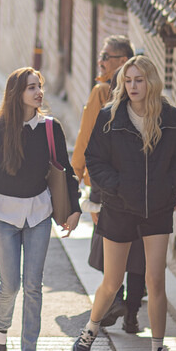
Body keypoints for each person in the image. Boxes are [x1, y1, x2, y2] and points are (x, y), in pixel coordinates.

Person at [72, 55, 176, 351]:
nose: (133, 86)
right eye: (128, 80)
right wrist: (118, 188)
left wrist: (169, 188)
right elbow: (94, 160)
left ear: (150, 82)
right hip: (120, 208)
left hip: (157, 210)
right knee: (112, 282)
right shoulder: (110, 117)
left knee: (155, 280)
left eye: (139, 80)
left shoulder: (172, 119)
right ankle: (90, 329)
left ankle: (158, 349)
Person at [0, 68, 81, 351]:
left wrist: (74, 208)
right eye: (31, 87)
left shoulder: (50, 128)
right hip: (4, 216)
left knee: (34, 285)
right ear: (16, 93)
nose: (38, 93)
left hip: (39, 215)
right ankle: (0, 327)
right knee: (11, 284)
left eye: (40, 87)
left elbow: (66, 170)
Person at [72, 36, 147, 333]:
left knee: (111, 242)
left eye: (106, 56)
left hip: (106, 183)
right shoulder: (143, 96)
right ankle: (131, 315)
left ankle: (115, 299)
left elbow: (85, 139)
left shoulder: (103, 91)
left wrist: (76, 176)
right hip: (139, 186)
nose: (100, 61)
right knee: (138, 247)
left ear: (122, 60)